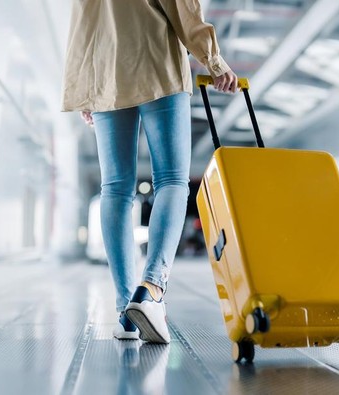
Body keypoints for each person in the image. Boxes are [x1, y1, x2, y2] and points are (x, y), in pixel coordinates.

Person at [62, 0, 237, 343]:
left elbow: (82, 22)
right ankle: (152, 289)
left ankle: (126, 311)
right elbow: (183, 9)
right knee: (172, 180)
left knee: (115, 189)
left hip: (105, 74)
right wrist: (214, 61)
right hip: (159, 65)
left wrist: (83, 89)